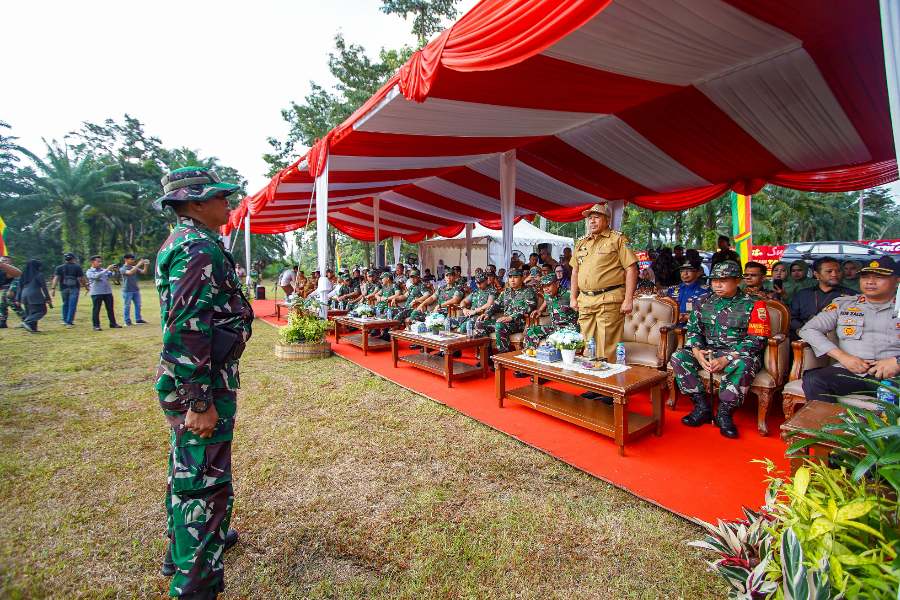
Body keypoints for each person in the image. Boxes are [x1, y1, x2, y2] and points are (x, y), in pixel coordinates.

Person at [154, 166, 253, 598]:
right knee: (203, 481)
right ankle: (195, 582)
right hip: (202, 383)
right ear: (196, 204)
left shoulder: (190, 241)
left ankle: (183, 548)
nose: (227, 204)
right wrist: (199, 400)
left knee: (190, 468)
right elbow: (187, 326)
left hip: (200, 377)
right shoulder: (197, 249)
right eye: (220, 197)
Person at [670, 261, 771, 438]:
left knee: (744, 364)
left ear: (737, 280)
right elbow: (693, 330)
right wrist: (697, 352)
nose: (717, 284)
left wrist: (727, 358)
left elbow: (757, 340)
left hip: (739, 354)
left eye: (723, 280)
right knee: (679, 356)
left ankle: (724, 413)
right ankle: (701, 406)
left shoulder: (754, 304)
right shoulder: (703, 301)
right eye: (714, 280)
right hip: (709, 351)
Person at [799, 256, 900, 402]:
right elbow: (809, 329)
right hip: (852, 371)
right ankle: (826, 424)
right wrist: (843, 357)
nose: (870, 282)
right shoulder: (844, 304)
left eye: (878, 277)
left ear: (897, 280)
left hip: (894, 375)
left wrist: (897, 362)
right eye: (865, 277)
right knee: (815, 380)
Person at [570, 203, 638, 363]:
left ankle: (606, 386)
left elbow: (631, 269)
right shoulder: (581, 243)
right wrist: (573, 297)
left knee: (606, 346)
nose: (592, 221)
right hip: (585, 301)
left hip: (609, 299)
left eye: (596, 217)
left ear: (607, 220)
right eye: (589, 218)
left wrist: (628, 299)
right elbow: (575, 271)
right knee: (588, 344)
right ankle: (593, 383)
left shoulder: (618, 239)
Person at [475, 268, 537, 354]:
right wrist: (487, 313)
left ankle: (503, 356)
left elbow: (529, 307)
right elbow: (496, 304)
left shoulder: (528, 291)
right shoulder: (506, 292)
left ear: (522, 278)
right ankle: (486, 356)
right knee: (480, 323)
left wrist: (511, 317)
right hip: (506, 322)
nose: (512, 280)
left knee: (500, 325)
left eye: (515, 277)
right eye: (510, 277)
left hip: (519, 323)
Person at [789, 257, 855, 337]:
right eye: (829, 271)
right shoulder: (803, 294)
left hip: (837, 338)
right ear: (817, 274)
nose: (834, 274)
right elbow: (792, 318)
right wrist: (806, 329)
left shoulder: (851, 296)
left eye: (838, 271)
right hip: (804, 336)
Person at [524, 274, 578, 350]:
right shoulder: (548, 295)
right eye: (543, 286)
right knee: (531, 331)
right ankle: (531, 353)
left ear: (557, 284)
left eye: (548, 285)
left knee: (552, 339)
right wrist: (540, 310)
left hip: (569, 329)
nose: (545, 289)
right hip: (555, 328)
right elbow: (546, 300)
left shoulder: (569, 295)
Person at [86, 255, 121, 331]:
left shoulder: (104, 270)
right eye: (98, 261)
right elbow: (96, 277)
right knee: (96, 309)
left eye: (100, 261)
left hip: (107, 292)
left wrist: (115, 271)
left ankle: (113, 323)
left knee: (110, 309)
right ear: (92, 262)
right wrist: (107, 269)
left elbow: (112, 275)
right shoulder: (89, 271)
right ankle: (96, 326)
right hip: (96, 293)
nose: (100, 263)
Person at [51, 252, 87, 327]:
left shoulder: (59, 267)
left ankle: (65, 320)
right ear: (73, 258)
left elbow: (56, 278)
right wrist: (86, 286)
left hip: (63, 288)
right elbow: (81, 278)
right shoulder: (77, 267)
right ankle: (69, 321)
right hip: (74, 288)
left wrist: (53, 288)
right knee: (72, 305)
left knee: (65, 304)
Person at [16, 259, 52, 333]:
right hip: (34, 294)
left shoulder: (23, 275)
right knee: (42, 311)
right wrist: (48, 298)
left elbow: (19, 287)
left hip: (24, 295)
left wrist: (17, 299)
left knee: (30, 312)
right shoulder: (39, 274)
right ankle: (27, 322)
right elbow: (44, 287)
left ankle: (33, 329)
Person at [120, 254, 150, 326]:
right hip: (127, 290)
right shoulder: (122, 268)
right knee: (127, 306)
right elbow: (130, 272)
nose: (133, 260)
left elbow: (144, 272)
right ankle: (127, 321)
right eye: (131, 259)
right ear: (126, 260)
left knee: (138, 305)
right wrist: (139, 264)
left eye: (133, 259)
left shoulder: (134, 267)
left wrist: (146, 264)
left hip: (136, 290)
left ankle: (138, 319)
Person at [0, 256, 23, 328]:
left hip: (13, 289)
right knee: (2, 305)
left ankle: (26, 319)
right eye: (2, 260)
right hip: (5, 290)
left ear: (10, 262)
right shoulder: (2, 270)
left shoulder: (12, 269)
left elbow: (18, 278)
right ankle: (2, 322)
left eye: (5, 260)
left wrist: (12, 289)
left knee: (13, 303)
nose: (3, 262)